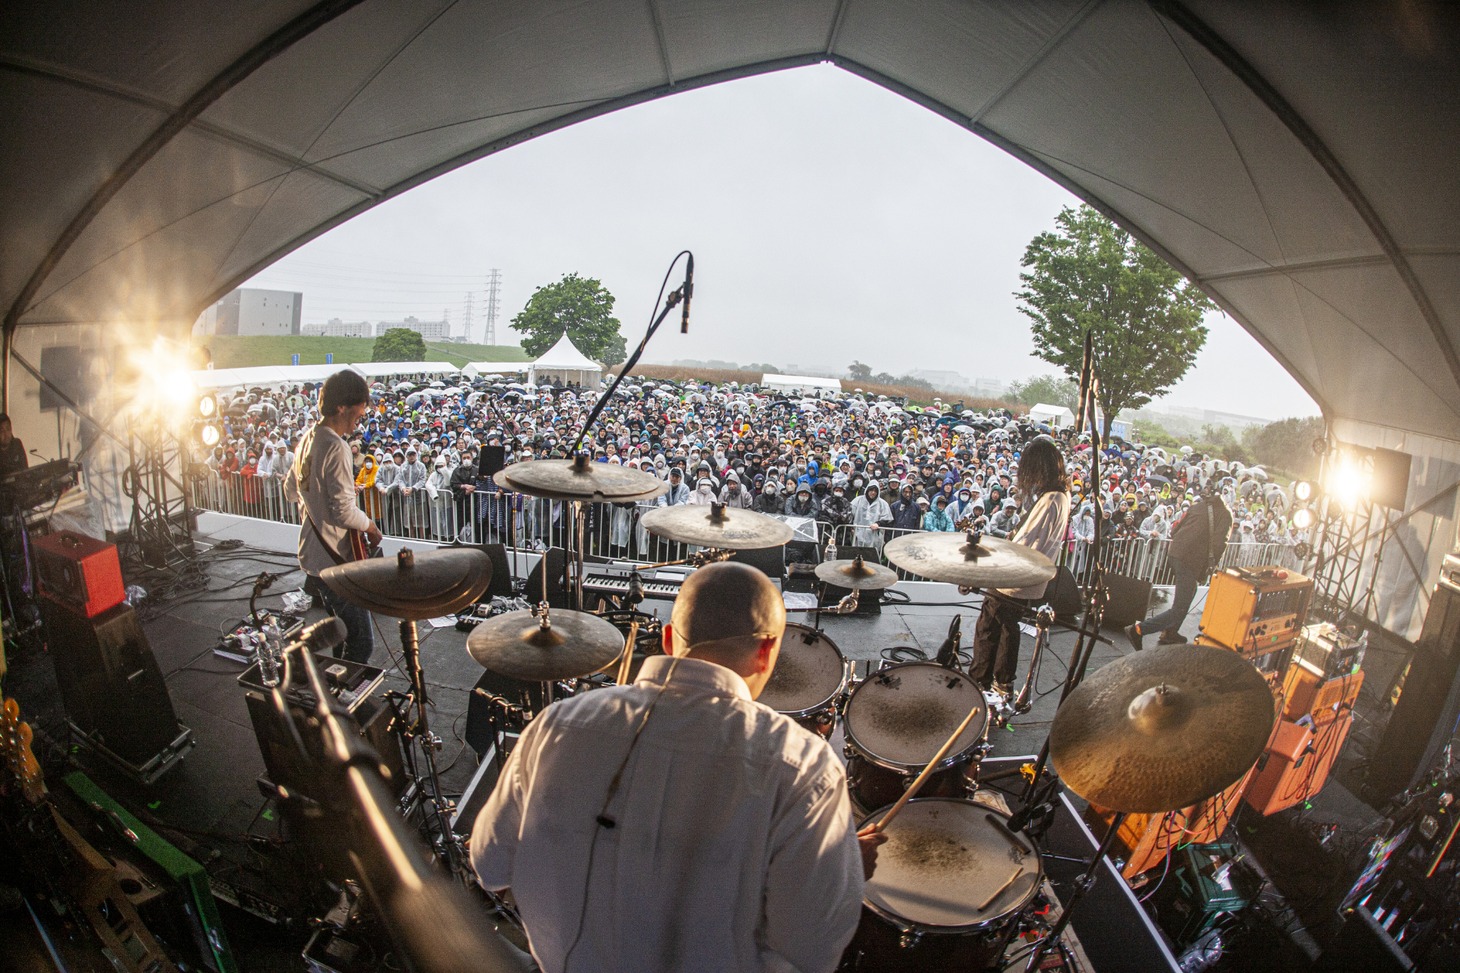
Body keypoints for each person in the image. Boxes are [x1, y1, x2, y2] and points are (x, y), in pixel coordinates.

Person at [470, 562, 882, 973]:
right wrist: (843, 871)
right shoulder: (804, 767)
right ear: (767, 650)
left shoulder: (557, 726)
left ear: (668, 638)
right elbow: (813, 949)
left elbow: (489, 863)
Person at [283, 370, 382, 664]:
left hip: (313, 555)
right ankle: (344, 699)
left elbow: (290, 490)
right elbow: (342, 511)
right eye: (359, 410)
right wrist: (370, 525)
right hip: (335, 561)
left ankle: (336, 681)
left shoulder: (308, 439)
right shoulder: (336, 445)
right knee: (362, 642)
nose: (360, 417)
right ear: (342, 406)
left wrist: (321, 492)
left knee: (341, 631)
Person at [970, 437, 1071, 697]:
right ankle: (1001, 685)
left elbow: (1026, 544)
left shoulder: (1050, 500)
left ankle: (978, 682)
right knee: (1007, 628)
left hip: (1015, 577)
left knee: (988, 628)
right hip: (1030, 578)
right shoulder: (1062, 496)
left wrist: (992, 559)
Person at [1125, 486, 1232, 650]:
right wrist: (1211, 565)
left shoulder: (1198, 506)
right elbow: (1220, 543)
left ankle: (1170, 632)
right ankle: (1138, 630)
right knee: (1179, 607)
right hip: (1190, 559)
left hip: (1175, 554)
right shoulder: (1225, 515)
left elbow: (1175, 530)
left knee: (1190, 592)